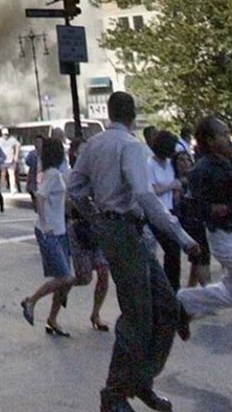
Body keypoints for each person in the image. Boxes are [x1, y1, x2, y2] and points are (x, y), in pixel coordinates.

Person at [67, 91, 200, 412]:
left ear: (111, 113)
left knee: (167, 307)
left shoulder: (95, 144)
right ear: (133, 115)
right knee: (138, 315)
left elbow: (74, 187)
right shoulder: (129, 146)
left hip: (122, 230)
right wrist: (182, 237)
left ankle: (141, 381)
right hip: (124, 230)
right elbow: (144, 194)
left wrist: (94, 215)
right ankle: (114, 394)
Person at [177, 115, 232, 322]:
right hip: (222, 235)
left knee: (228, 293)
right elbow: (192, 206)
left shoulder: (227, 162)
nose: (227, 138)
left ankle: (184, 301)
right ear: (210, 140)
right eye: (223, 134)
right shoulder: (202, 169)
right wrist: (213, 209)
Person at [20, 137, 77, 336]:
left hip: (59, 229)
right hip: (50, 230)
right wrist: (44, 223)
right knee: (65, 276)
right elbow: (41, 197)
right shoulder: (52, 174)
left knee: (65, 279)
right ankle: (31, 300)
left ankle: (53, 318)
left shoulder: (55, 173)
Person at [66, 137, 111, 332]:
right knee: (83, 277)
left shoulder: (98, 174)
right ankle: (60, 289)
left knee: (103, 272)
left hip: (97, 228)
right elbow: (68, 203)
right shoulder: (70, 176)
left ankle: (96, 313)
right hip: (79, 229)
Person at [147, 130, 182, 290]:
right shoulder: (149, 165)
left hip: (170, 210)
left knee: (174, 252)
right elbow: (153, 189)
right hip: (156, 212)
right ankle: (165, 287)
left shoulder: (169, 164)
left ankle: (173, 286)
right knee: (169, 248)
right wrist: (171, 186)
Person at [172, 149, 209, 288]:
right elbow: (176, 205)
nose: (185, 163)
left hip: (198, 222)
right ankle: (207, 292)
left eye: (187, 159)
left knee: (197, 261)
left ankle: (189, 295)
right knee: (199, 258)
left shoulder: (196, 179)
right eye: (181, 160)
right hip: (186, 223)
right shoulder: (177, 183)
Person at [0, 127, 20, 195]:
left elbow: (18, 145)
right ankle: (3, 188)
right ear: (2, 134)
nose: (6, 136)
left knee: (12, 174)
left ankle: (13, 189)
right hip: (3, 161)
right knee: (3, 175)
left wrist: (16, 155)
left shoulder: (12, 140)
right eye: (4, 134)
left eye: (7, 134)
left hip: (11, 160)